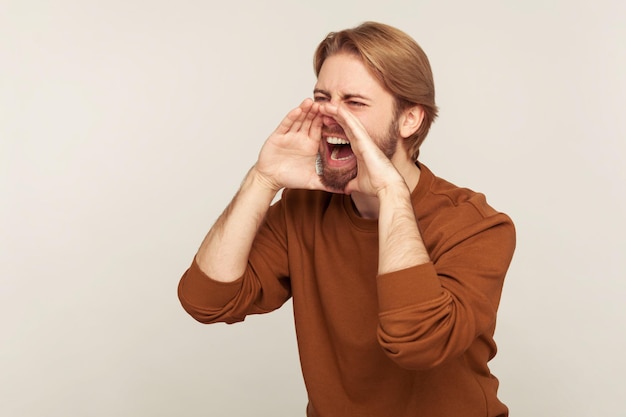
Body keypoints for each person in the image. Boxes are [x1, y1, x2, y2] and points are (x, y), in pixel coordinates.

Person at [178, 21, 516, 417]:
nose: (330, 115)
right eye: (323, 98)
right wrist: (262, 178)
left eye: (354, 102)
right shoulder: (302, 209)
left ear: (410, 120)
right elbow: (206, 301)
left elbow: (417, 344)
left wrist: (391, 193)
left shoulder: (477, 226)